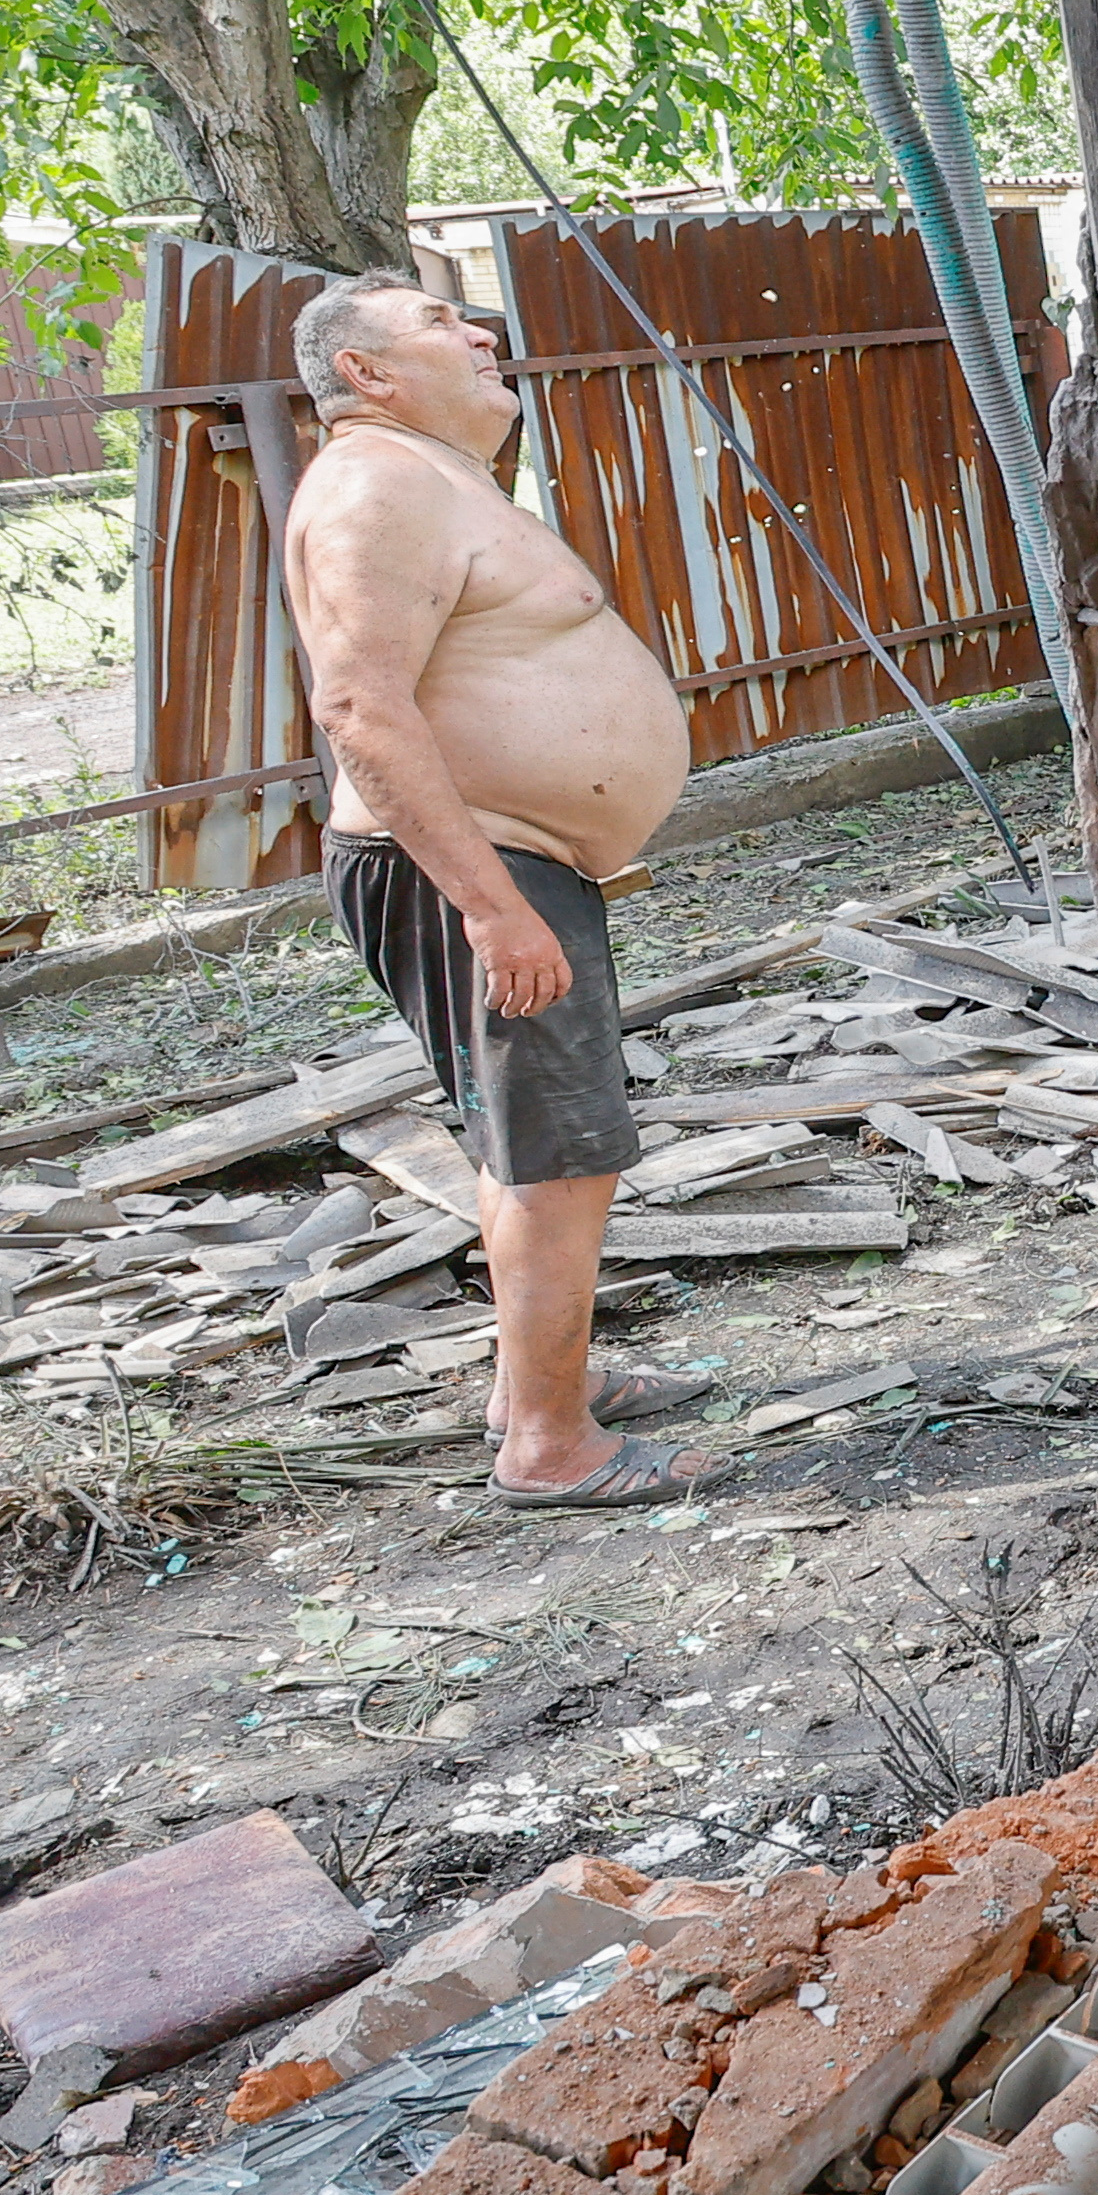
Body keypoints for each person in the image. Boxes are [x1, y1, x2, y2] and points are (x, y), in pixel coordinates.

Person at [281, 272, 717, 1508]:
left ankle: (539, 1386)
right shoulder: (375, 483)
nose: (478, 333)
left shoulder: (433, 476)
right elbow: (360, 705)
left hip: (507, 857)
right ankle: (549, 1447)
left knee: (531, 1140)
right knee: (555, 1152)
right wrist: (487, 903)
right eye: (434, 323)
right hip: (472, 862)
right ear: (363, 373)